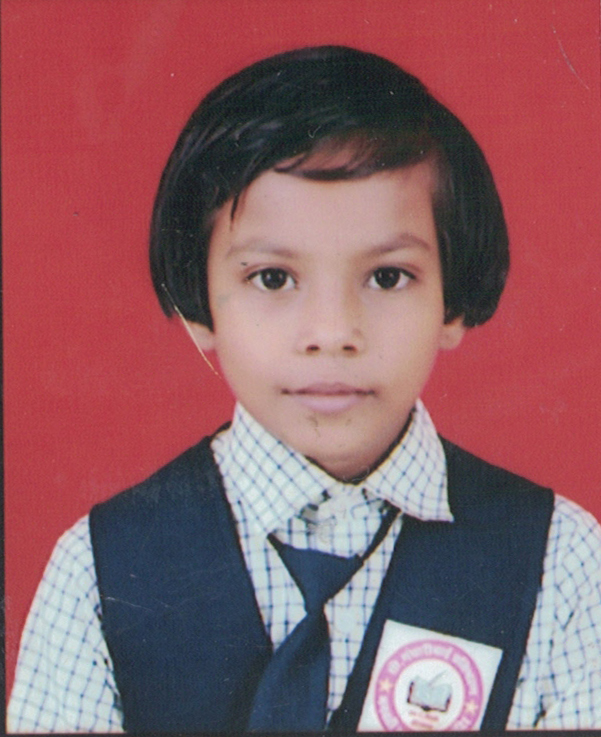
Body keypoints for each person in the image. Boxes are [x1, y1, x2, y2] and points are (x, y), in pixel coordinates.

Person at [8, 46, 601, 733]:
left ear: (452, 301)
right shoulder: (100, 569)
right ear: (200, 303)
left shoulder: (561, 563)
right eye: (272, 278)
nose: (332, 332)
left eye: (387, 277)